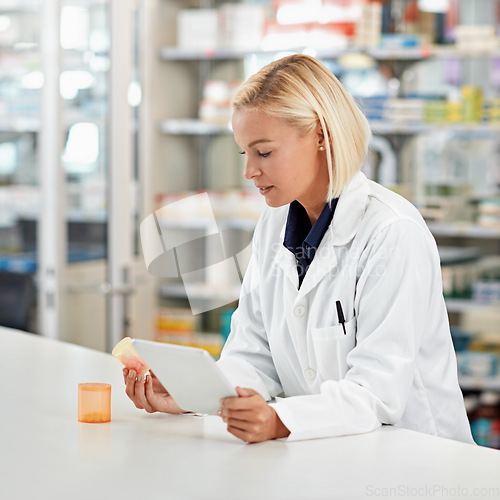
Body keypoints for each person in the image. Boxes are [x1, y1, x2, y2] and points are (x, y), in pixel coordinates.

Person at [123, 54, 474, 445]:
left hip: (420, 460)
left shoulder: (392, 232)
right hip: (335, 455)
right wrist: (193, 396)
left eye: (265, 152)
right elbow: (253, 355)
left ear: (321, 135)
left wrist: (279, 420)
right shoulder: (274, 224)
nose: (249, 171)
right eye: (245, 153)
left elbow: (376, 392)